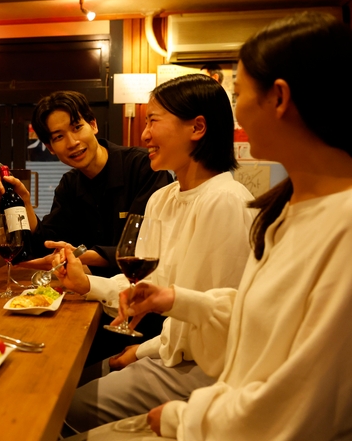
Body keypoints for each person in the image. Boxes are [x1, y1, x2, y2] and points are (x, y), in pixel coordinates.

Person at [74, 11, 352, 440]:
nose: (236, 113)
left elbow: (300, 406)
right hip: (221, 401)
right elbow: (254, 314)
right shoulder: (287, 207)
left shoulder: (339, 222)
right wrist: (175, 298)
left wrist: (182, 418)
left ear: (279, 97)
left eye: (239, 95)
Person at [53, 73, 254, 436]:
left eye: (152, 121)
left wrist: (142, 351)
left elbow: (220, 324)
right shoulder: (163, 198)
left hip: (205, 370)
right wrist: (87, 285)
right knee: (63, 382)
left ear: (197, 128)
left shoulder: (226, 201)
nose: (143, 135)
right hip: (166, 351)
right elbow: (148, 286)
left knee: (61, 406)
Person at [0, 90, 173, 279]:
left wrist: (80, 256)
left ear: (93, 124)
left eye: (77, 127)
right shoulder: (69, 185)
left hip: (147, 287)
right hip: (91, 290)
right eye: (59, 137)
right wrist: (25, 203)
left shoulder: (143, 167)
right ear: (50, 148)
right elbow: (47, 243)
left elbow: (149, 245)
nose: (72, 142)